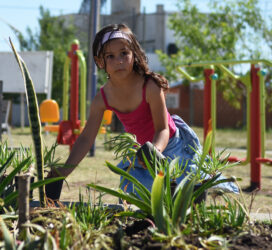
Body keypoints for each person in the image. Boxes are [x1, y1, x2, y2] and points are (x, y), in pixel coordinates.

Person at [45, 23, 238, 201]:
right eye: (110, 56)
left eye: (124, 53)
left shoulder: (150, 86)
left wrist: (155, 150)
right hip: (144, 153)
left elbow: (162, 129)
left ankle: (200, 190)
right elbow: (86, 138)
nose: (118, 60)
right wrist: (63, 172)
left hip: (170, 145)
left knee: (189, 187)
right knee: (144, 192)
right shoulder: (102, 98)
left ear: (134, 55)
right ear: (100, 62)